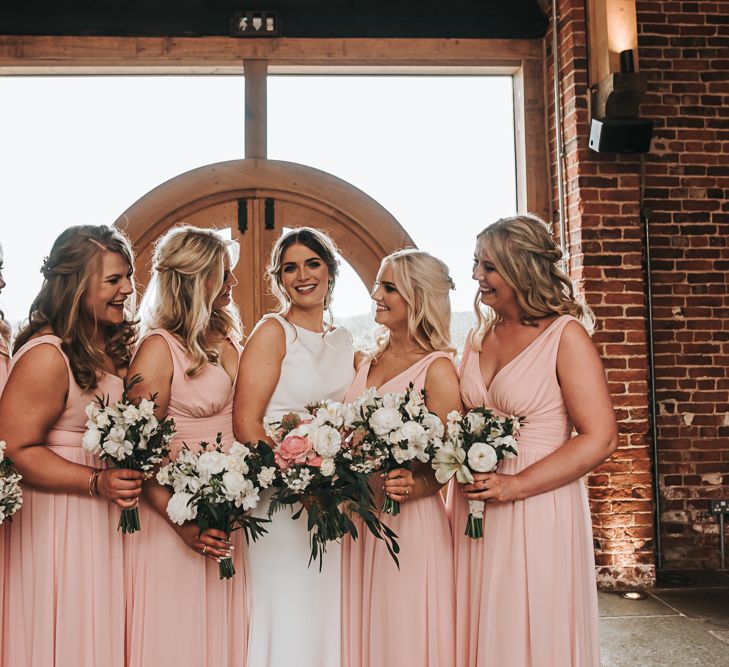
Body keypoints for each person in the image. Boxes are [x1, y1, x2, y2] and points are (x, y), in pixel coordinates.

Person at [451, 214, 618, 667]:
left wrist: (515, 485)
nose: (476, 276)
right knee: (481, 622)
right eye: (475, 264)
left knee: (530, 623)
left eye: (488, 267)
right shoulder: (478, 337)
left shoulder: (566, 337)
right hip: (475, 503)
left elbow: (601, 438)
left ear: (521, 268)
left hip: (537, 503)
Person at [0, 225, 144, 667]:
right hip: (57, 525)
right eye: (113, 281)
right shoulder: (47, 356)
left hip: (105, 519)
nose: (126, 290)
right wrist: (95, 481)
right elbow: (15, 449)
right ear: (78, 285)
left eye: (128, 278)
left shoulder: (113, 349)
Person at [124, 225, 248, 667]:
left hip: (232, 511)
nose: (233, 283)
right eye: (224, 274)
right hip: (177, 519)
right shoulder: (159, 348)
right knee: (180, 640)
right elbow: (135, 455)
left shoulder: (229, 337)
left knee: (229, 634)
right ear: (197, 280)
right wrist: (180, 521)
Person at [233, 227, 355, 667]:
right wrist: (298, 480)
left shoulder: (344, 340)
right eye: (290, 267)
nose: (302, 275)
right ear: (279, 279)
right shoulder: (272, 331)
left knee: (323, 607)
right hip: (280, 502)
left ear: (330, 270)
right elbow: (246, 422)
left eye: (312, 263)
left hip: (330, 502)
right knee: (284, 604)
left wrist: (329, 484)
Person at [342, 248, 462, 667]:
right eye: (379, 284)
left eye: (389, 287)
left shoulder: (438, 369)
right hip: (359, 518)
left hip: (408, 523)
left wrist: (419, 484)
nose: (376, 293)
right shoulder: (366, 360)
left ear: (418, 298)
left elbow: (450, 460)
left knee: (404, 635)